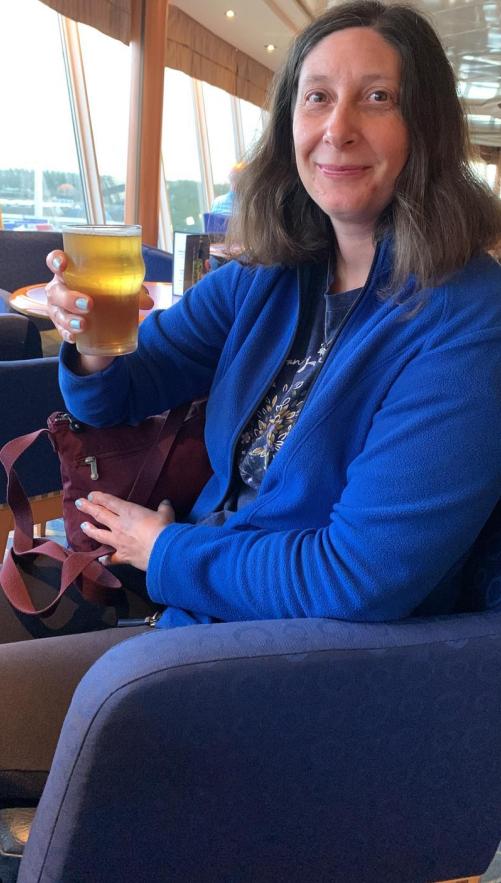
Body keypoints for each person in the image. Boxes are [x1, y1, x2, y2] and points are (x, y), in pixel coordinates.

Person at [1, 0, 501, 804]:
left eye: (376, 98)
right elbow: (117, 392)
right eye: (316, 96)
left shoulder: (467, 318)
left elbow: (358, 577)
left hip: (306, 666)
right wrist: (92, 338)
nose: (336, 128)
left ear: (428, 129)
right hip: (201, 600)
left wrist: (168, 551)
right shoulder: (273, 275)